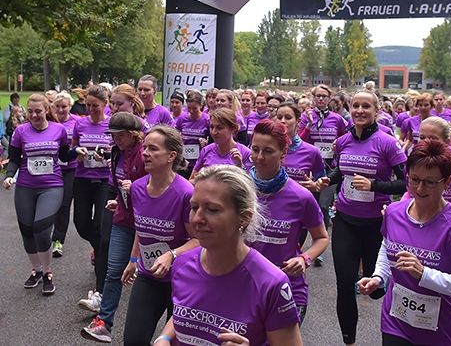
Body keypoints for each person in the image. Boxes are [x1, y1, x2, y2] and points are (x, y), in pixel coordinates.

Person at [151, 165, 304, 346]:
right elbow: (186, 310)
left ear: (244, 218)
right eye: (194, 207)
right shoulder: (182, 264)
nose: (197, 219)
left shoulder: (271, 283)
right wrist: (164, 337)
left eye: (213, 210)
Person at [359, 140, 451, 345]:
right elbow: (388, 247)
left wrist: (424, 274)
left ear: (446, 183)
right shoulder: (393, 212)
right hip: (396, 322)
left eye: (430, 182)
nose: (420, 188)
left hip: (443, 329)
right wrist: (379, 277)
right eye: (414, 179)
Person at [318, 90, 408, 346]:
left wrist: (374, 186)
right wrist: (329, 179)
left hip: (377, 226)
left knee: (377, 288)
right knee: (345, 284)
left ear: (376, 110)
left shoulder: (387, 142)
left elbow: (405, 183)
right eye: (355, 105)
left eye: (366, 106)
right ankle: (349, 341)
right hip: (346, 221)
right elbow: (341, 171)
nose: (359, 110)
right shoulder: (344, 140)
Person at [121, 125, 199, 345]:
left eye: (153, 149)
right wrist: (133, 260)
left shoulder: (185, 193)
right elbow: (142, 229)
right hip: (149, 277)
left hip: (182, 279)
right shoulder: (136, 188)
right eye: (145, 147)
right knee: (134, 341)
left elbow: (199, 240)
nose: (145, 153)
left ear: (171, 156)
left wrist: (171, 255)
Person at [248, 119, 329, 323]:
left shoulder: (301, 197)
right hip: (244, 285)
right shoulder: (238, 190)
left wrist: (304, 258)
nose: (259, 157)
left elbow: (321, 238)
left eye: (268, 151)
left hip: (286, 287)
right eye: (255, 149)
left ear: (283, 153)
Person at [81, 112, 147, 342]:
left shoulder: (145, 153)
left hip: (149, 223)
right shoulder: (118, 151)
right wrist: (119, 199)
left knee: (155, 277)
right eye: (113, 135)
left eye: (120, 135)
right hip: (122, 217)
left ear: (132, 134)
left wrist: (137, 187)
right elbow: (119, 183)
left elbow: (160, 183)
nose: (115, 139)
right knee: (113, 270)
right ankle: (104, 322)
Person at [2, 94, 72, 295]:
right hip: (25, 185)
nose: (33, 115)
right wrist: (8, 176)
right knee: (26, 229)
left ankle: (48, 272)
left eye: (38, 111)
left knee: (41, 228)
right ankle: (37, 270)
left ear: (46, 110)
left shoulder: (58, 130)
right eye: (30, 111)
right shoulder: (20, 131)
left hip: (52, 186)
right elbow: (14, 159)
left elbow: (64, 156)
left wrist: (77, 152)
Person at [72, 85, 113, 309]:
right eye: (87, 105)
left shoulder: (111, 124)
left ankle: (102, 273)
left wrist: (106, 157)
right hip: (83, 177)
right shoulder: (80, 123)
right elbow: (73, 148)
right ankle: (101, 249)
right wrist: (77, 154)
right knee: (80, 223)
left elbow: (116, 151)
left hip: (104, 180)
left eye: (95, 106)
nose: (90, 110)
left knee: (99, 226)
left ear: (105, 104)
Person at [276, 102, 328, 254]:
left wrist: (315, 185)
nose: (283, 121)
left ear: (298, 121)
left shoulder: (311, 152)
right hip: (271, 209)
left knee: (290, 255)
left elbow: (321, 180)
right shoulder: (268, 147)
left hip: (297, 212)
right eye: (279, 117)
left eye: (288, 117)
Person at [51, 91, 80, 258]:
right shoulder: (49, 122)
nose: (61, 110)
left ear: (70, 106)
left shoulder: (77, 122)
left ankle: (58, 240)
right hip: (51, 169)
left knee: (64, 204)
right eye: (58, 107)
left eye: (64, 107)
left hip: (70, 168)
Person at [191, 108, 251, 179]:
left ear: (233, 128)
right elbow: (192, 180)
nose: (214, 132)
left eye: (219, 128)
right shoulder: (206, 151)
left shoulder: (245, 153)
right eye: (212, 127)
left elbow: (249, 185)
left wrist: (240, 167)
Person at [299, 84, 347, 164]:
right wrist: (309, 125)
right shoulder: (305, 115)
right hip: (310, 161)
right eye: (318, 96)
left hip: (331, 163)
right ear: (313, 97)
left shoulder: (337, 118)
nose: (321, 99)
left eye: (324, 96)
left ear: (329, 99)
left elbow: (342, 140)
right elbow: (300, 141)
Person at [174, 90, 209, 180]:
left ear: (201, 106)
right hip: (184, 161)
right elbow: (174, 135)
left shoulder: (206, 119)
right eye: (189, 108)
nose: (191, 111)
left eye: (195, 108)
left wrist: (205, 142)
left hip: (199, 161)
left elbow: (212, 139)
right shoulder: (182, 118)